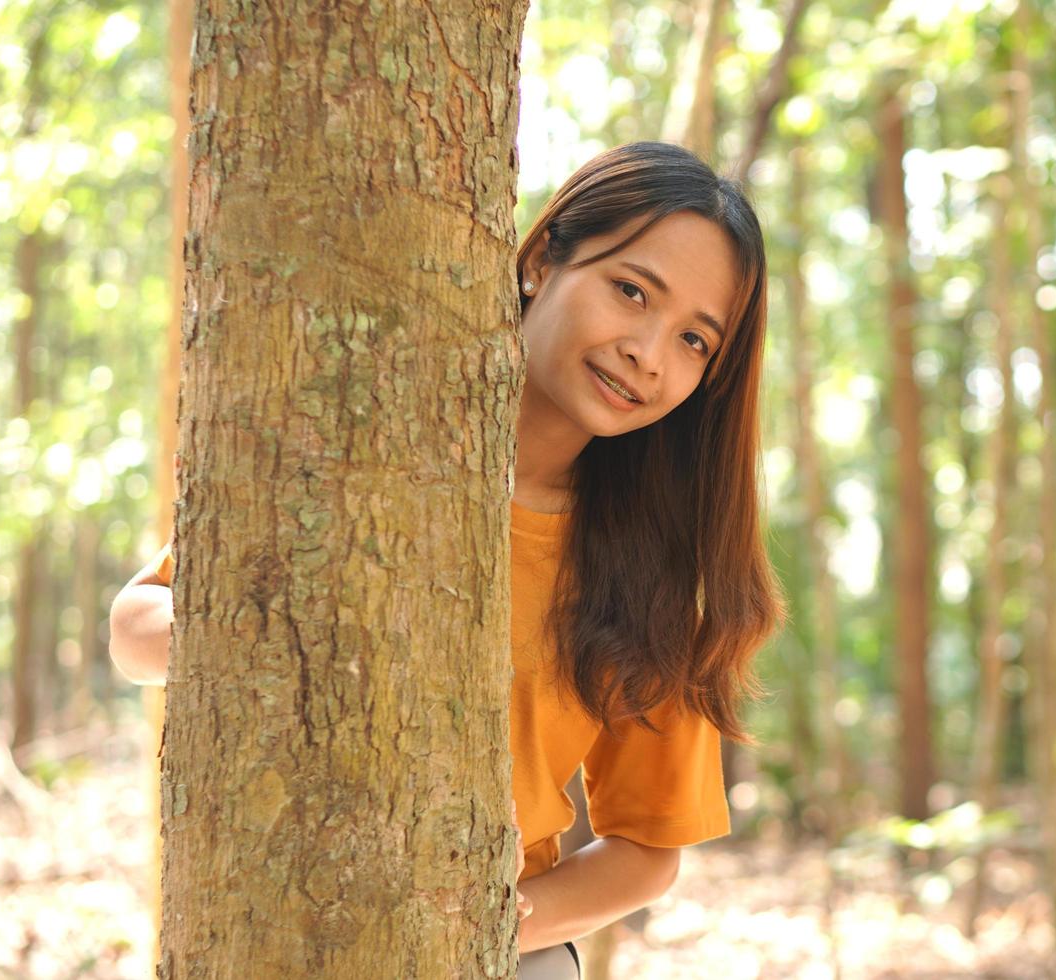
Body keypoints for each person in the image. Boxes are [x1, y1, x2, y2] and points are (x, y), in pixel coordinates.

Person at [110, 140, 783, 978]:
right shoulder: (369, 444)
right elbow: (135, 627)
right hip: (278, 917)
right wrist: (271, 650)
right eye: (631, 290)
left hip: (503, 953)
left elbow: (648, 850)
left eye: (693, 340)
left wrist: (467, 925)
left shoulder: (648, 572)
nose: (649, 351)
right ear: (543, 258)